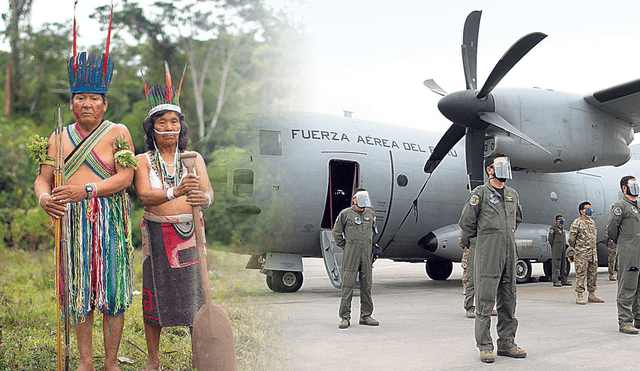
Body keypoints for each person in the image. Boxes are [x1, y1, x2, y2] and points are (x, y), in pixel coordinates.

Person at [33, 26, 137, 371]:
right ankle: (85, 362)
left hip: (108, 221)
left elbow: (126, 177)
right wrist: (45, 198)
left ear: (104, 103)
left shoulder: (118, 133)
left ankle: (111, 362)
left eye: (94, 98)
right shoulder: (57, 137)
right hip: (73, 225)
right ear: (72, 102)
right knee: (79, 292)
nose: (87, 104)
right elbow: (42, 179)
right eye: (80, 97)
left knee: (112, 291)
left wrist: (87, 190)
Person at [135, 70, 213, 370]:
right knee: (153, 297)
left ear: (181, 127)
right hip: (156, 234)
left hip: (190, 233)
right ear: (151, 128)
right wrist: (176, 191)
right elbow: (144, 195)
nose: (168, 127)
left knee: (196, 294)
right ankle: (154, 361)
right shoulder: (142, 160)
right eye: (161, 122)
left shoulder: (193, 157)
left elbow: (209, 193)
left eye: (174, 122)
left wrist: (201, 199)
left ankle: (200, 356)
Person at [459, 154, 526, 363]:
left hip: (508, 251)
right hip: (488, 251)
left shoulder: (512, 194)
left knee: (508, 300)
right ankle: (485, 345)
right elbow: (467, 222)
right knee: (485, 300)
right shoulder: (480, 194)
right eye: (500, 166)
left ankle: (507, 343)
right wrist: (480, 243)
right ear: (490, 170)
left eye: (506, 165)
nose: (504, 169)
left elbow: (517, 219)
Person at [333, 188, 379, 329]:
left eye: (366, 197)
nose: (364, 200)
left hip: (366, 254)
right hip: (351, 254)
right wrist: (346, 247)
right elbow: (336, 233)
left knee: (367, 285)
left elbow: (373, 232)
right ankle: (345, 317)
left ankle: (366, 315)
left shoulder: (370, 214)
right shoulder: (345, 214)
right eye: (361, 197)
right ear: (354, 199)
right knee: (348, 285)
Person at [605, 176, 640, 335]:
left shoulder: (638, 205)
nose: (636, 187)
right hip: (628, 250)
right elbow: (612, 228)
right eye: (632, 185)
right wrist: (623, 241)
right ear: (624, 188)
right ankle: (625, 321)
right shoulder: (620, 206)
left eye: (636, 184)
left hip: (638, 250)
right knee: (627, 285)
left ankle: (638, 318)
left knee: (639, 286)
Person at [568, 201, 604, 305]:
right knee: (581, 275)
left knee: (593, 274)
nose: (589, 210)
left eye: (590, 208)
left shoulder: (592, 223)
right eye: (587, 208)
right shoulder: (577, 223)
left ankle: (592, 295)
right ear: (581, 211)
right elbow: (571, 240)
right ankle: (579, 295)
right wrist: (579, 248)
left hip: (593, 253)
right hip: (582, 254)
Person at [548, 215, 571, 287]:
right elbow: (550, 239)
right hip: (556, 248)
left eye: (562, 219)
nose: (562, 221)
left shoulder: (562, 229)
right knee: (556, 265)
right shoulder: (553, 228)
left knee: (563, 265)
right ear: (557, 220)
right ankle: (555, 281)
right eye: (560, 219)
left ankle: (564, 280)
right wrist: (554, 246)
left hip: (563, 248)